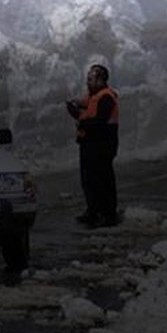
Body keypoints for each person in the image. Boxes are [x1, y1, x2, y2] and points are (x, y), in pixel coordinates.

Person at [66, 64, 120, 228]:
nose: (87, 82)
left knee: (102, 181)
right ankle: (93, 211)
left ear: (100, 80)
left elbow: (99, 122)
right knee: (89, 181)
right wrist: (75, 110)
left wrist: (80, 120)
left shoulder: (106, 97)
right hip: (90, 144)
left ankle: (108, 214)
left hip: (102, 145)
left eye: (90, 79)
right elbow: (87, 111)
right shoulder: (93, 97)